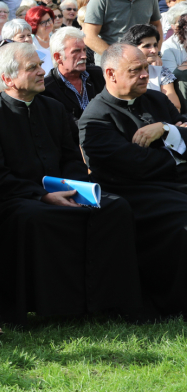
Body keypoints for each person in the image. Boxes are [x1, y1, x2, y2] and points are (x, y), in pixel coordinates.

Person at [0, 42, 145, 326]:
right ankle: (52, 306)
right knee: (36, 217)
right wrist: (42, 196)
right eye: (33, 68)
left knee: (116, 207)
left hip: (64, 190)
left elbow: (71, 159)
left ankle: (108, 301)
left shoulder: (54, 108)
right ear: (8, 79)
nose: (42, 71)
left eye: (40, 65)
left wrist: (73, 189)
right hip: (15, 200)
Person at [78, 44, 187, 316]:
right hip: (134, 195)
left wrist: (165, 129)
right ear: (111, 74)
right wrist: (178, 152)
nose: (145, 75)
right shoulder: (95, 118)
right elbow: (136, 165)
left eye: (145, 68)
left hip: (170, 185)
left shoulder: (157, 99)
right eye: (135, 70)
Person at [120, 24, 181, 111]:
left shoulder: (161, 72)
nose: (154, 50)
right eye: (147, 46)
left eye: (155, 45)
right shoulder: (120, 74)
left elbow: (175, 107)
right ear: (131, 48)